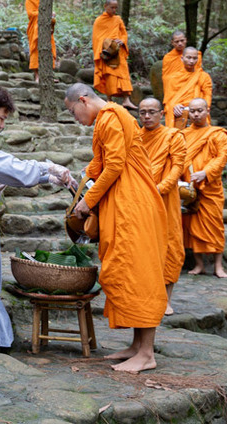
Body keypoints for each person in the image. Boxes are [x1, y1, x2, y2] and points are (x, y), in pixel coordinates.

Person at [65, 83, 167, 373]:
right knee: (127, 271)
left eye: (74, 112)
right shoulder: (109, 118)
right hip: (125, 204)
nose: (76, 118)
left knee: (139, 275)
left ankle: (147, 354)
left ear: (83, 100)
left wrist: (88, 201)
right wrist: (81, 182)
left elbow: (115, 165)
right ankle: (137, 346)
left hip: (133, 205)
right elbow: (101, 162)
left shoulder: (110, 116)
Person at [0, 87, 73, 349]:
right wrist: (46, 167)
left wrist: (44, 176)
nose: (3, 126)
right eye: (2, 119)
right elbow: (7, 167)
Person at [137, 97, 186, 316]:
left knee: (170, 246)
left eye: (151, 112)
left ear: (161, 113)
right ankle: (146, 295)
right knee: (144, 247)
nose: (147, 117)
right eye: (142, 113)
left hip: (165, 199)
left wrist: (160, 188)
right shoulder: (136, 137)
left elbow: (178, 166)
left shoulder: (172, 136)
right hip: (140, 199)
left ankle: (166, 299)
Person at [181, 98, 227, 278]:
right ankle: (199, 264)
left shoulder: (217, 134)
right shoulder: (184, 134)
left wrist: (205, 173)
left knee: (215, 225)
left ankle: (218, 266)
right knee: (192, 227)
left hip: (210, 187)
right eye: (192, 111)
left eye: (199, 110)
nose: (195, 114)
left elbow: (222, 157)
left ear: (207, 110)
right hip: (190, 188)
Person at [91, 0, 136, 109]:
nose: (114, 10)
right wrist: (106, 44)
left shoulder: (118, 19)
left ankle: (126, 100)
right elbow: (96, 38)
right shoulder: (99, 21)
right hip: (107, 53)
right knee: (109, 75)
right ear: (105, 6)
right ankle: (109, 99)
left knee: (123, 74)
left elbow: (123, 33)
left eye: (116, 8)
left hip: (118, 52)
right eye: (112, 7)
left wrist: (122, 41)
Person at [164, 47, 212, 128]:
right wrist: (174, 105)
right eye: (189, 57)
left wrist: (202, 107)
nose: (192, 61)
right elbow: (168, 99)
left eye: (194, 58)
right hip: (180, 112)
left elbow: (207, 95)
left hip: (198, 110)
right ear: (182, 58)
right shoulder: (173, 77)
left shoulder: (203, 76)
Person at [25, 0, 56, 83]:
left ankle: (48, 76)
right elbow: (31, 14)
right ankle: (37, 77)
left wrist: (51, 16)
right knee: (35, 52)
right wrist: (45, 12)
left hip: (46, 28)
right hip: (35, 28)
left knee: (49, 51)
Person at [161, 31, 201, 100]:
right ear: (172, 42)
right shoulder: (168, 58)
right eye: (177, 41)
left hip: (191, 89)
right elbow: (166, 79)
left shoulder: (196, 55)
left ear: (186, 40)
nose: (180, 43)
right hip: (175, 91)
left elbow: (197, 75)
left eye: (182, 40)